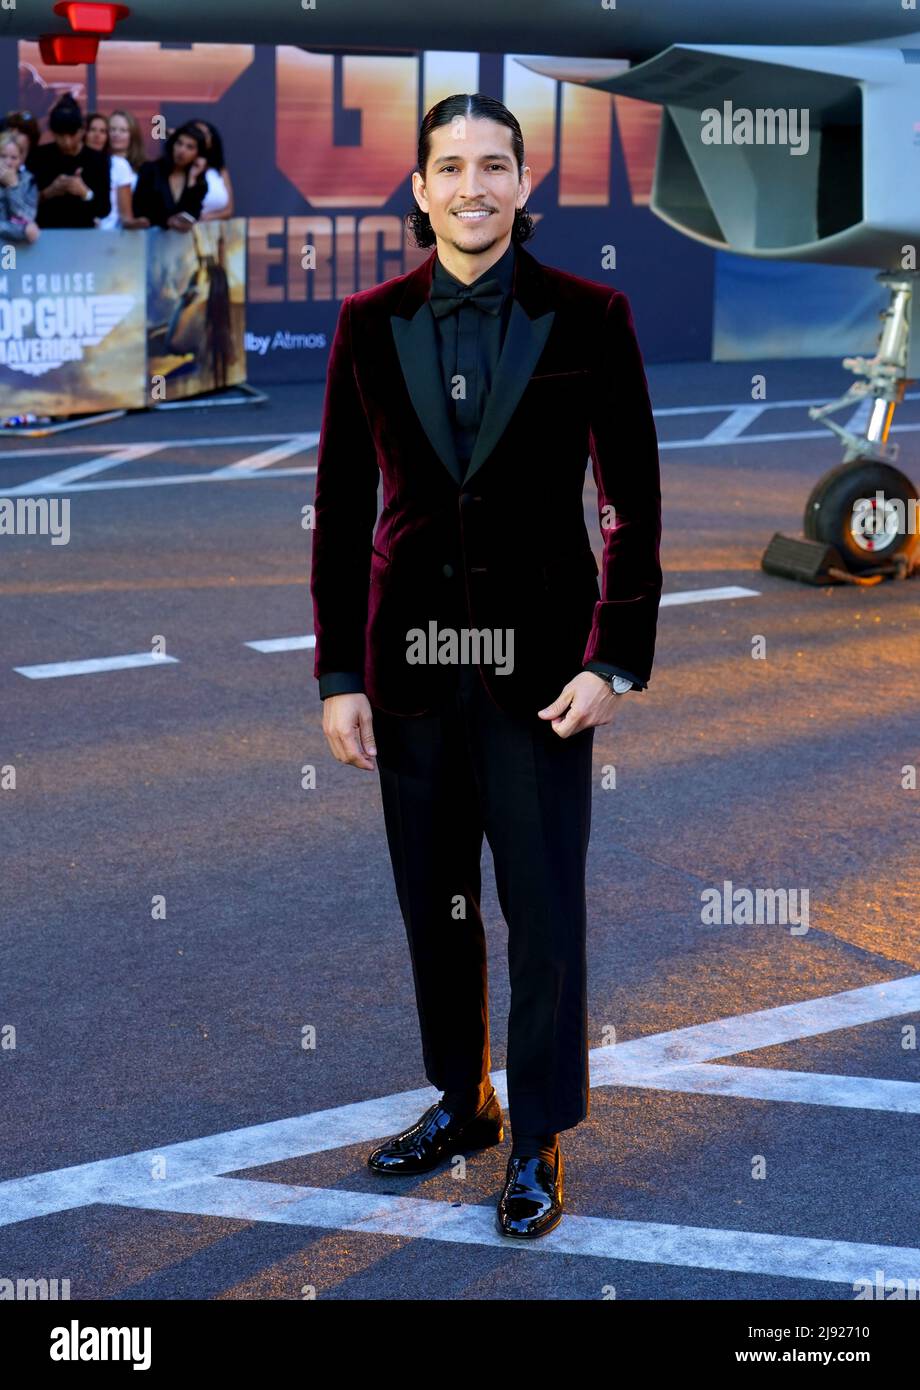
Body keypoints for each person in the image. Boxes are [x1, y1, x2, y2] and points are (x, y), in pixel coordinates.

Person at [310, 93, 662, 1239]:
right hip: (408, 674)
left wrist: (616, 655)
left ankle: (540, 1135)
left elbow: (632, 504)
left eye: (493, 166)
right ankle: (459, 1104)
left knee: (544, 911)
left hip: (543, 676)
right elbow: (338, 511)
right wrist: (337, 675)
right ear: (418, 188)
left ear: (524, 185)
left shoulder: (590, 315)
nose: (472, 185)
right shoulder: (367, 322)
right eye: (450, 166)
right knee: (435, 907)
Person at [29, 94, 111, 229]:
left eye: (72, 135)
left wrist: (85, 192)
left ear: (82, 131)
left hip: (82, 236)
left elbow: (104, 209)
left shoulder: (97, 160)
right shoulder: (38, 156)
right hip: (46, 234)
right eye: (61, 136)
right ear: (53, 133)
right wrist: (48, 192)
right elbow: (20, 204)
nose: (67, 142)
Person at [132, 122, 207, 231]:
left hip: (182, 244)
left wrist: (192, 180)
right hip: (149, 241)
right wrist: (167, 220)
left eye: (190, 147)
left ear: (198, 153)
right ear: (172, 144)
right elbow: (139, 210)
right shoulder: (151, 170)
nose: (182, 150)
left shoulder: (198, 181)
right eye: (179, 143)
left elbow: (192, 214)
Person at [0, 129, 39, 243]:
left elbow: (27, 218)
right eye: (3, 156)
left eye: (14, 158)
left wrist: (13, 187)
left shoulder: (28, 180)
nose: (8, 162)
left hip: (17, 249)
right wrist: (22, 230)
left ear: (21, 160)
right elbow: (25, 228)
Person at [191, 119, 234, 221]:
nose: (200, 138)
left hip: (213, 232)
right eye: (196, 133)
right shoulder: (178, 169)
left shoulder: (220, 170)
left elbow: (229, 210)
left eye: (205, 134)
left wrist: (206, 218)